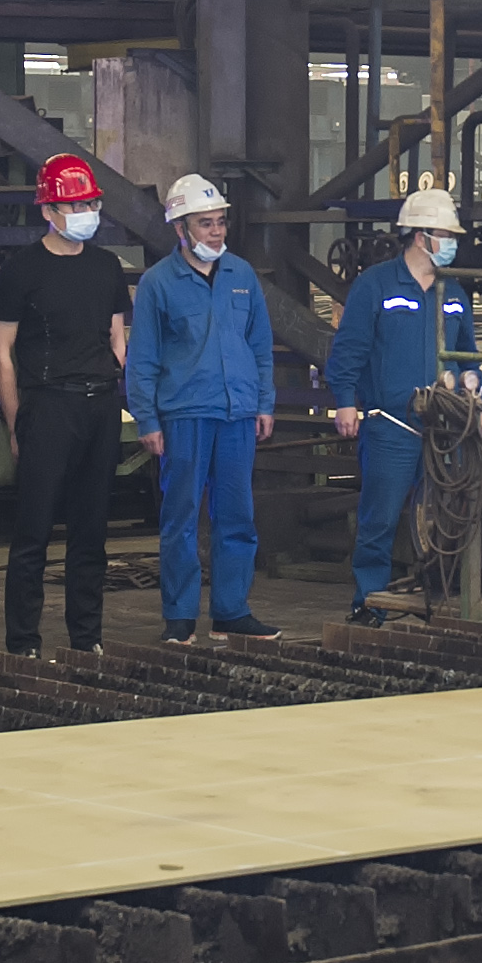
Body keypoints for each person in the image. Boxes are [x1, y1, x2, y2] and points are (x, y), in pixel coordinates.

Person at [0, 153, 133, 657]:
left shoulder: (106, 266)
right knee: (33, 531)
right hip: (48, 406)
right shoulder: (21, 270)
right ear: (48, 210)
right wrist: (17, 424)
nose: (86, 213)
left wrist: (110, 385)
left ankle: (86, 639)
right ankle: (23, 642)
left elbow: (118, 338)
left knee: (91, 532)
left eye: (91, 204)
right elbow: (1, 354)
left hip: (100, 405)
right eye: (75, 205)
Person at [124, 173, 280, 643]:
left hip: (237, 414)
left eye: (220, 222)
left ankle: (232, 610)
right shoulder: (158, 283)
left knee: (237, 516)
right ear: (181, 229)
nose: (216, 232)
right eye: (205, 224)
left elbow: (260, 347)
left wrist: (264, 403)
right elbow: (142, 359)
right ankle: (180, 616)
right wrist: (147, 419)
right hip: (185, 414)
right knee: (182, 518)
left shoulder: (242, 276)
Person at [326, 185, 479, 628]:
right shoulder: (375, 285)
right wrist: (344, 402)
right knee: (380, 520)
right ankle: (369, 603)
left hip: (444, 428)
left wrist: (477, 399)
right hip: (392, 425)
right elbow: (348, 350)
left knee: (443, 519)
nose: (451, 244)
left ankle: (437, 601)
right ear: (419, 236)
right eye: (444, 235)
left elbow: (469, 358)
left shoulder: (454, 293)